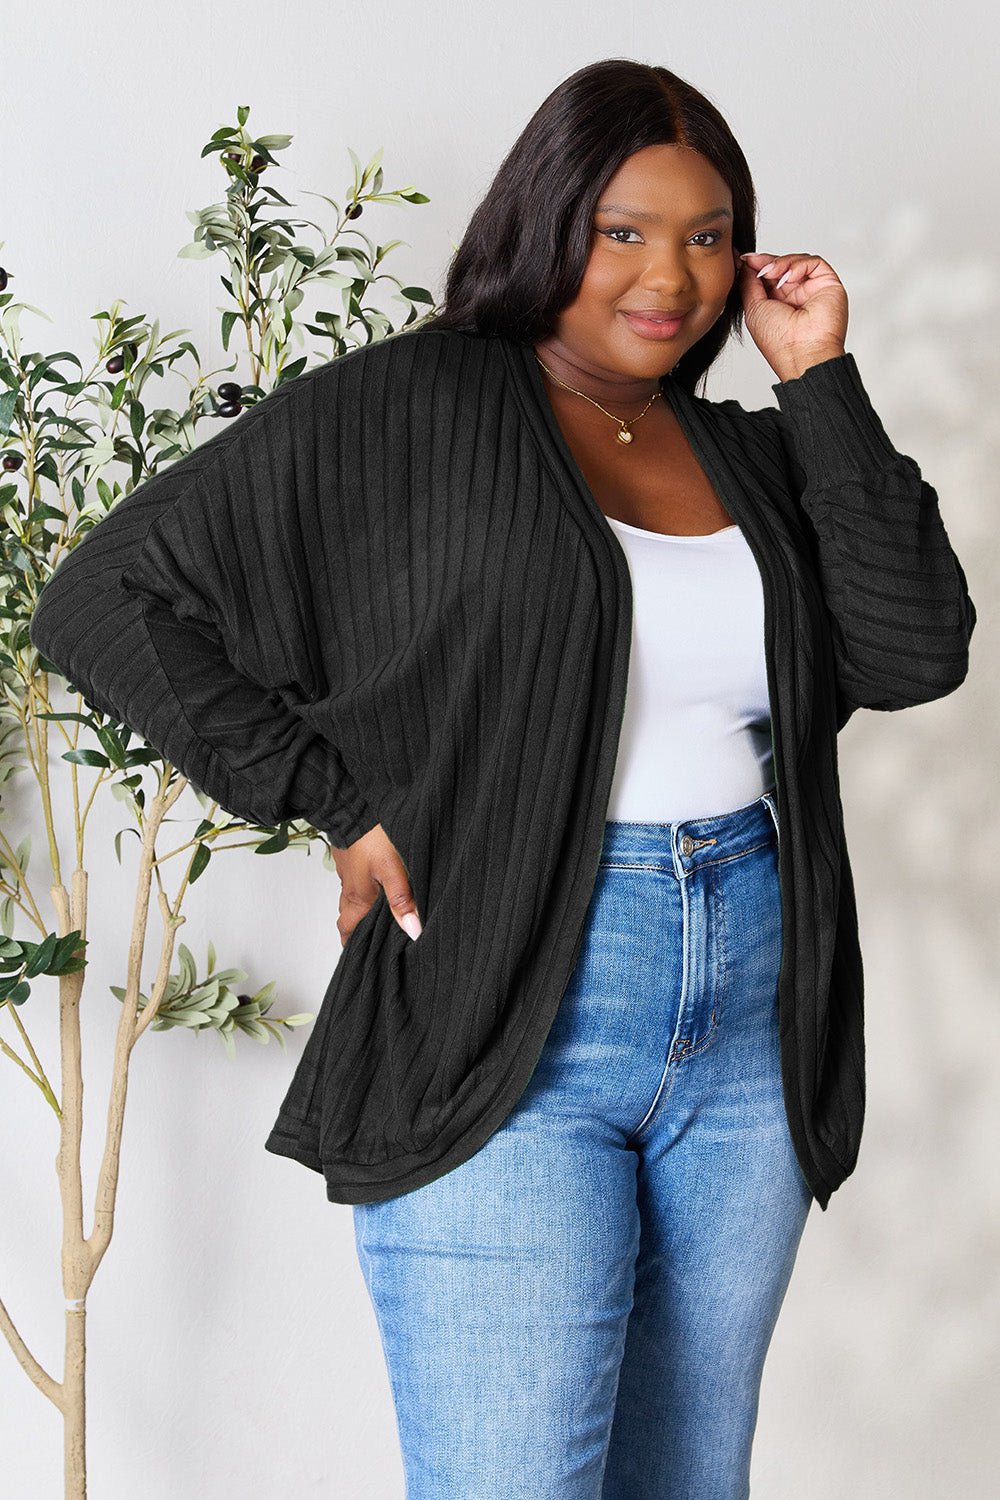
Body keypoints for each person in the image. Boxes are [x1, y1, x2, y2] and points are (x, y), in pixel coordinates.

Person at [29, 57, 974, 1500]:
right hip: (509, 1000)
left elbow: (914, 652)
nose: (671, 277)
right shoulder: (411, 407)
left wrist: (821, 378)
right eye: (624, 231)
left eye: (708, 235)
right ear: (547, 224)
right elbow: (106, 598)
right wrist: (330, 797)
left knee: (690, 1481)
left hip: (748, 1013)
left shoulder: (748, 452)